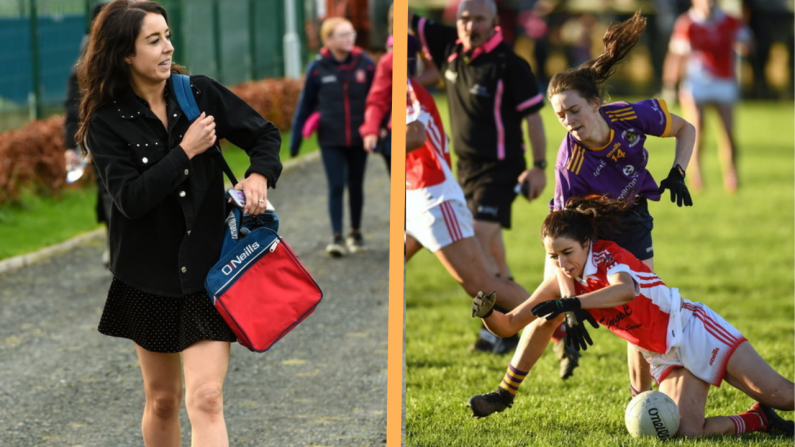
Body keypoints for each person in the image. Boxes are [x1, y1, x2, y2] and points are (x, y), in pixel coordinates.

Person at [468, 11, 697, 415]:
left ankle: (638, 402)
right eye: (560, 116)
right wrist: (571, 306)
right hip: (575, 229)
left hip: (632, 221)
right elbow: (559, 244)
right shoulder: (569, 166)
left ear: (595, 103)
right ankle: (504, 392)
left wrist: (677, 172)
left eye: (574, 111)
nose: (568, 121)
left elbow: (686, 129)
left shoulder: (628, 115)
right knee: (548, 311)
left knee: (637, 312)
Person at [75, 1, 282, 445]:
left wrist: (259, 173)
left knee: (206, 397)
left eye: (167, 35)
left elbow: (264, 133)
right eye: (154, 40)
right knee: (163, 399)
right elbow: (130, 199)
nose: (168, 47)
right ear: (125, 54)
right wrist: (184, 152)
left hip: (210, 271)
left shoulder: (199, 94)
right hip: (146, 276)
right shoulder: (105, 123)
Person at [470, 195, 794, 437]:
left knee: (785, 396)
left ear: (587, 242)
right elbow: (509, 324)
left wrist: (572, 304)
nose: (562, 263)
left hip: (694, 331)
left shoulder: (610, 256)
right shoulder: (560, 281)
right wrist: (487, 314)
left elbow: (626, 290)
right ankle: (758, 419)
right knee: (684, 433)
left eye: (567, 253)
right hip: (665, 356)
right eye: (553, 256)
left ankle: (771, 406)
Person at [410, 0, 548, 286]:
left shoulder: (509, 64)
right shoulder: (450, 47)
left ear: (495, 22)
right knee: (493, 252)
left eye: (479, 20)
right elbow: (403, 17)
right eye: (465, 18)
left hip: (500, 168)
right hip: (462, 169)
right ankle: (527, 319)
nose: (470, 26)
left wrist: (539, 167)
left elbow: (534, 119)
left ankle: (494, 329)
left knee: (478, 239)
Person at [405, 77, 535, 354]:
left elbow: (414, 135)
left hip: (433, 199)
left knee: (482, 283)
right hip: (410, 196)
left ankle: (557, 323)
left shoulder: (406, 87)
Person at [290, 17, 375, 257]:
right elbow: (304, 105)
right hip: (330, 139)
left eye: (351, 34)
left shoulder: (365, 64)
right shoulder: (317, 67)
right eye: (343, 35)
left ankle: (355, 232)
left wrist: (378, 128)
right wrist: (295, 142)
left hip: (359, 139)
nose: (349, 39)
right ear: (328, 39)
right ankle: (337, 236)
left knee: (356, 185)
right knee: (336, 185)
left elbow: (379, 100)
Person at [662, 0, 752, 193]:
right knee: (697, 131)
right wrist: (670, 84)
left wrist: (744, 45)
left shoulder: (730, 21)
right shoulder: (687, 22)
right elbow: (676, 55)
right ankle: (696, 175)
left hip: (724, 81)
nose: (709, 3)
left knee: (728, 132)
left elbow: (747, 43)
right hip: (696, 83)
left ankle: (731, 175)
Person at [64, 2, 111, 267]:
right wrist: (70, 147)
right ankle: (116, 247)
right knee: (110, 192)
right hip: (99, 139)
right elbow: (73, 108)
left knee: (111, 192)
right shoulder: (85, 63)